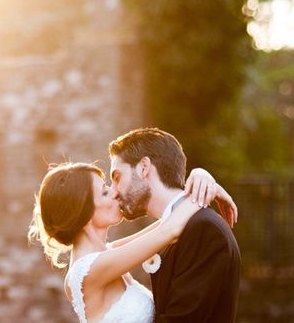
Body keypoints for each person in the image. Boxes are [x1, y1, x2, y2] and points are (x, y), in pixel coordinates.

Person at [29, 161, 237, 323]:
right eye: (104, 192)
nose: (115, 192)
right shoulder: (88, 271)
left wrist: (202, 176)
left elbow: (167, 220)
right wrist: (207, 191)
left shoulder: (104, 255)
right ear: (82, 211)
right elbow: (170, 230)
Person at [109, 128, 241, 322]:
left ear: (144, 167)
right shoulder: (177, 226)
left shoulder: (203, 229)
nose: (113, 192)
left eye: (117, 177)